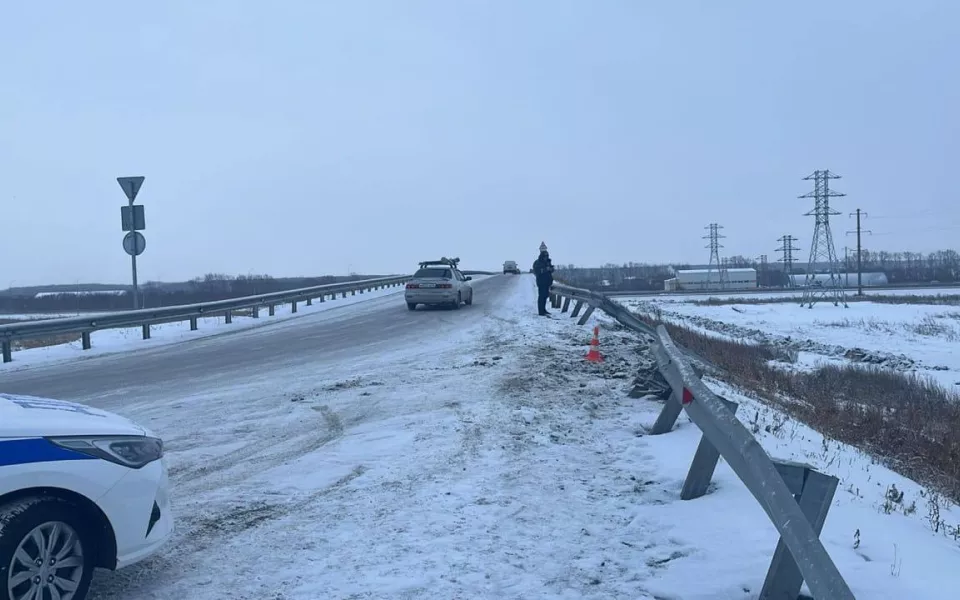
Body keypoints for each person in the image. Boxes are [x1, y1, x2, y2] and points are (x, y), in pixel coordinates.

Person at [532, 243, 555, 316]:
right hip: (541, 282)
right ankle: (541, 311)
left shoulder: (548, 262)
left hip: (547, 281)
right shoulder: (537, 263)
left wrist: (551, 269)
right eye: (545, 256)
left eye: (547, 256)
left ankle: (544, 310)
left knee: (545, 296)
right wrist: (545, 269)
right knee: (541, 296)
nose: (546, 257)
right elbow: (537, 271)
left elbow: (551, 270)